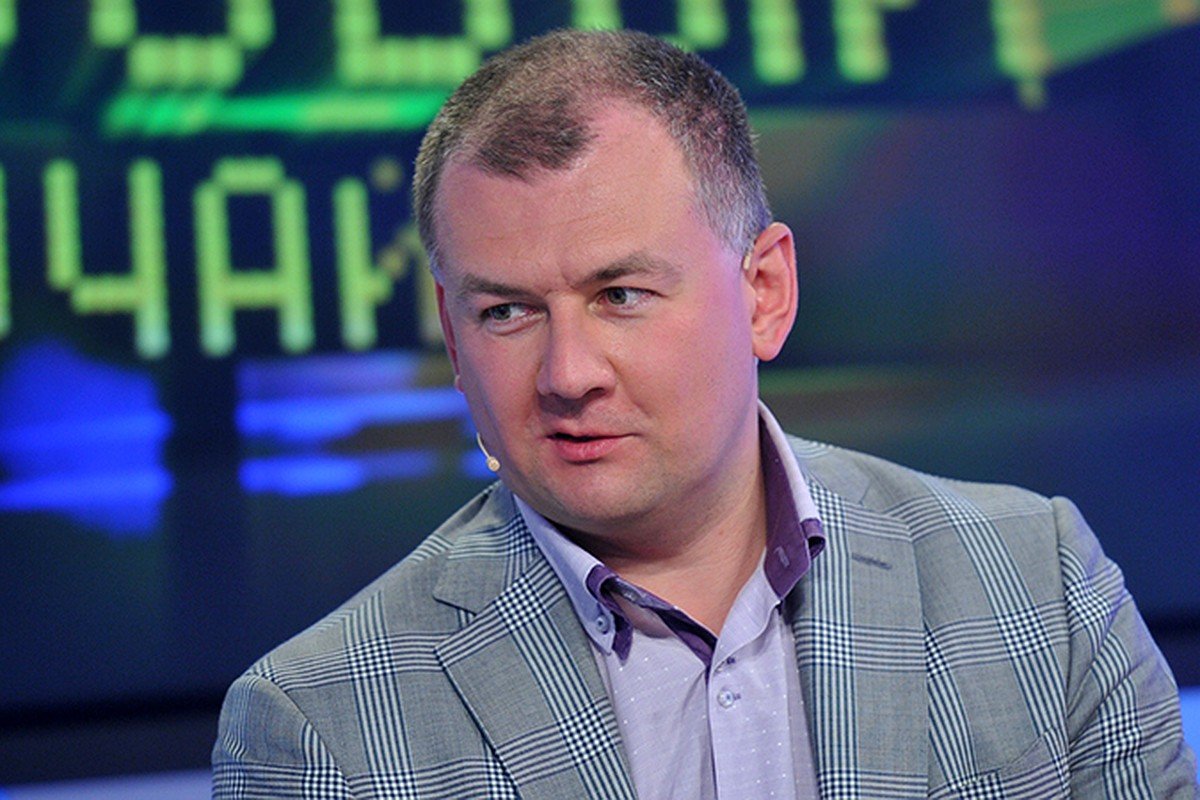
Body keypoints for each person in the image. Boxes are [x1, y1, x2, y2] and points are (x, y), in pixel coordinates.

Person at [213, 29, 1198, 799]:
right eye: (506, 311)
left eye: (621, 295)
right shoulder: (317, 727)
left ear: (765, 291)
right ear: (452, 334)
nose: (567, 374)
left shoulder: (1039, 586)